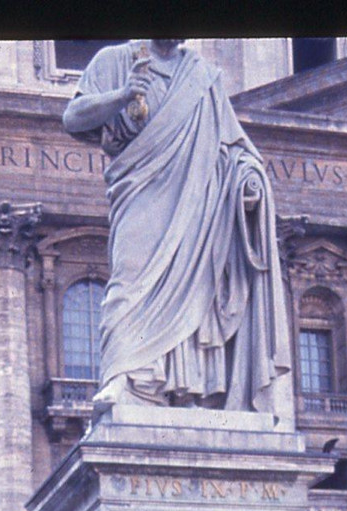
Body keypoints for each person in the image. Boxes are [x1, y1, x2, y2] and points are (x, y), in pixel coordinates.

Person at [62, 38, 289, 416]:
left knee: (197, 285)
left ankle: (187, 388)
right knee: (131, 280)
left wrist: (248, 180)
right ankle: (124, 375)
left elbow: (235, 148)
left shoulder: (203, 77)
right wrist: (123, 94)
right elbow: (72, 118)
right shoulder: (115, 59)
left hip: (196, 202)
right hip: (140, 191)